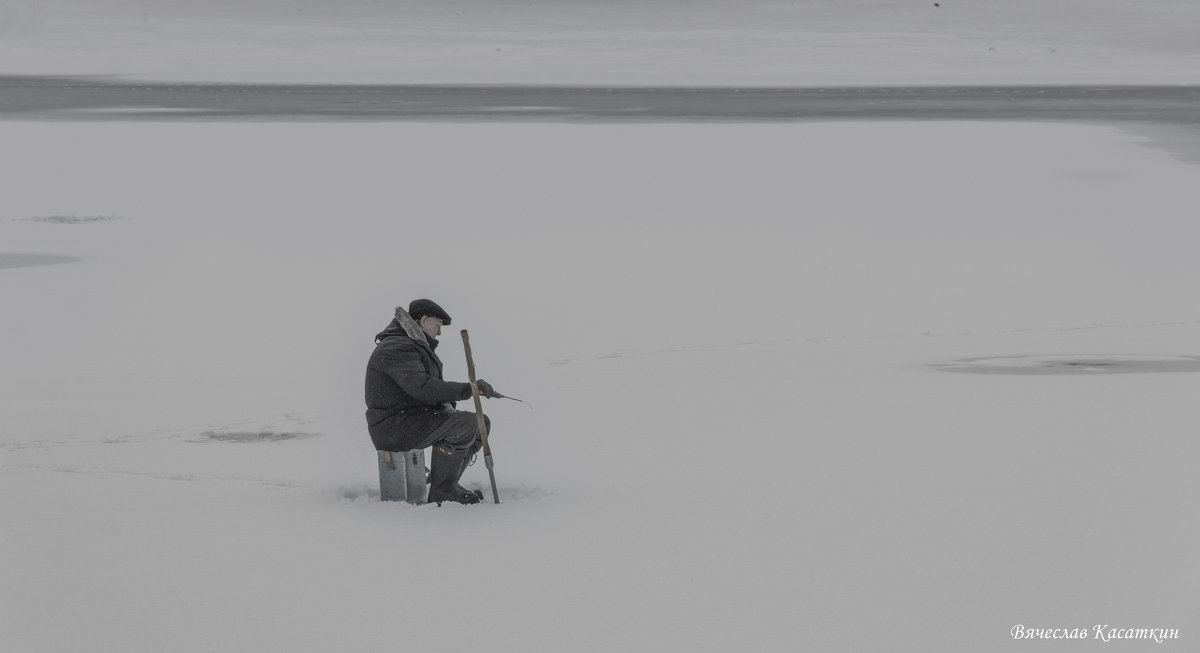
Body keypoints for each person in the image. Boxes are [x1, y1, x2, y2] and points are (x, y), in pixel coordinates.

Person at [365, 299, 498, 505]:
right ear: (424, 320)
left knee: (481, 423)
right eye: (438, 324)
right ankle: (443, 490)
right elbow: (422, 387)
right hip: (393, 426)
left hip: (410, 419)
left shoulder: (413, 345)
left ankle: (447, 483)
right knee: (467, 424)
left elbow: (425, 390)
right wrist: (468, 388)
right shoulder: (396, 348)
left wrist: (447, 406)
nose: (439, 332)